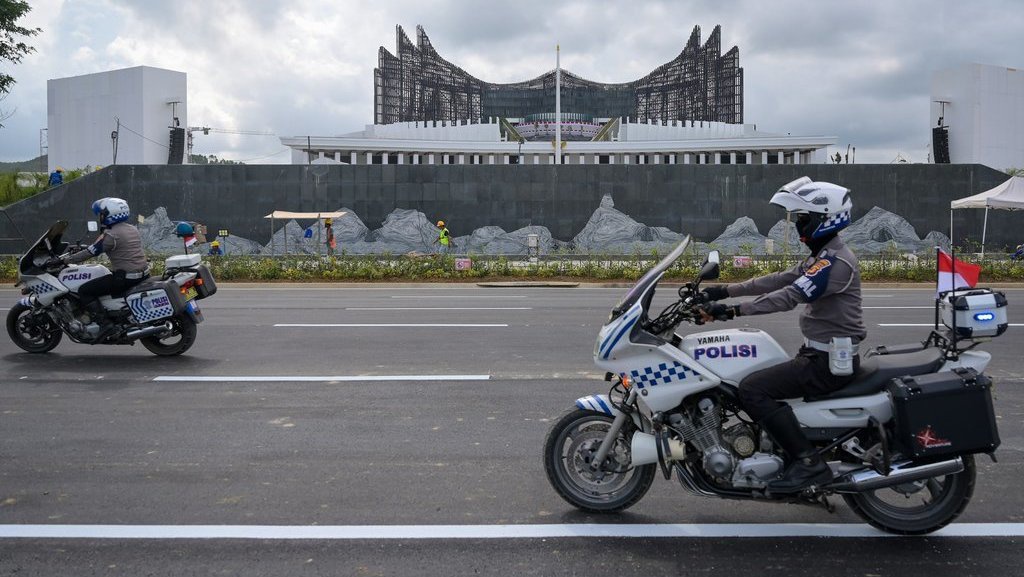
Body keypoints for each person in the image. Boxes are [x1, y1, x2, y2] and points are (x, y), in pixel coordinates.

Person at [697, 177, 866, 494]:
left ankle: (807, 463)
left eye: (805, 219)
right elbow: (777, 280)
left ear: (825, 219)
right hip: (819, 355)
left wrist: (733, 311)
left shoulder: (836, 261)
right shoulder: (823, 256)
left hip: (827, 362)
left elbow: (789, 295)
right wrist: (724, 291)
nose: (801, 226)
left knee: (752, 389)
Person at [62, 197, 150, 339]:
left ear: (109, 215)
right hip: (143, 274)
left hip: (125, 278)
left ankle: (104, 324)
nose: (99, 217)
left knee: (84, 290)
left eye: (101, 214)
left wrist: (66, 259)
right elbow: (100, 245)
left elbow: (92, 251)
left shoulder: (111, 235)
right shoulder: (132, 228)